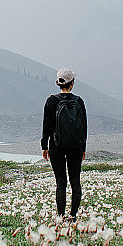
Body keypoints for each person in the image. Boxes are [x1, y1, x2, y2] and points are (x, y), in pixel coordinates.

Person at [41, 68, 87, 221]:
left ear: (59, 83)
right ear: (72, 83)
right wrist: (83, 148)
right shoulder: (79, 101)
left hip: (56, 146)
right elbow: (84, 127)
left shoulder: (52, 101)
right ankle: (73, 216)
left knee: (61, 182)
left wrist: (44, 146)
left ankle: (60, 216)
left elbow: (46, 126)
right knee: (75, 181)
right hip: (76, 146)